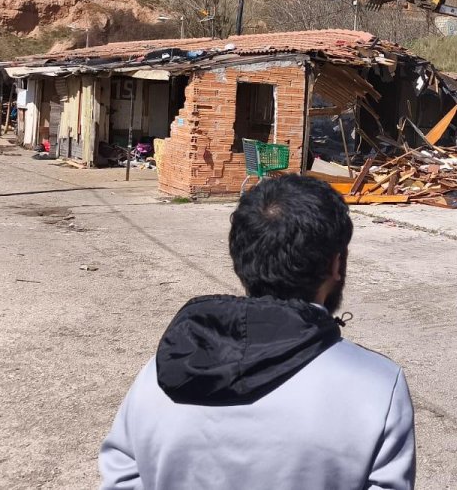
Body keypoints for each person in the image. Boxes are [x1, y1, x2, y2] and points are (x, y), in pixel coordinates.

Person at [99, 175, 416, 490]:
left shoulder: (158, 375)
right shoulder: (378, 387)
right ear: (336, 265)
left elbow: (121, 477)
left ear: (240, 260)